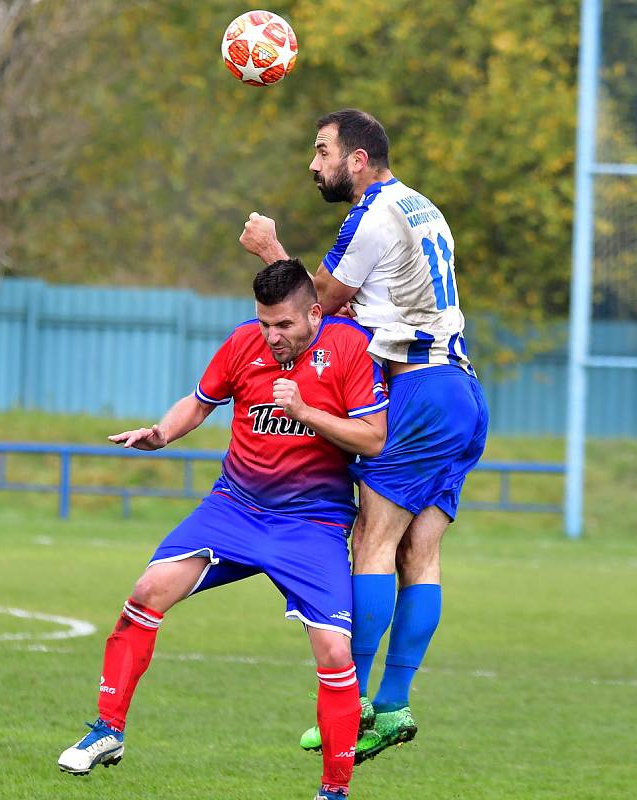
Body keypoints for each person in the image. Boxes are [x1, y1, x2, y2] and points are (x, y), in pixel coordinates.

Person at [57, 259, 389, 800]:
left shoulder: (349, 346)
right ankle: (108, 730)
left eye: (283, 326)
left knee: (334, 653)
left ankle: (334, 791)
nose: (272, 337)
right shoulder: (243, 344)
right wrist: (162, 432)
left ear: (313, 313)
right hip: (234, 510)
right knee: (146, 594)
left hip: (314, 522)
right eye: (264, 323)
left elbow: (372, 438)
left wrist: (305, 411)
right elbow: (201, 400)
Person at [239, 109, 489, 762]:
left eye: (322, 151)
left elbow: (314, 306)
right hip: (462, 392)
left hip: (420, 394)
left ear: (357, 159)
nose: (313, 164)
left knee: (371, 543)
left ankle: (346, 706)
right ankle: (395, 704)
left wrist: (270, 249)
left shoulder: (371, 216)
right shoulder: (422, 207)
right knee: (420, 555)